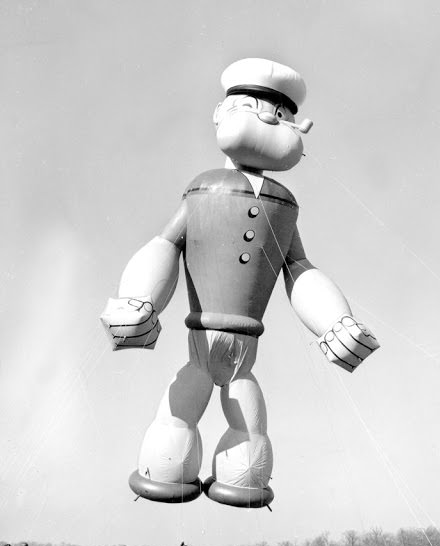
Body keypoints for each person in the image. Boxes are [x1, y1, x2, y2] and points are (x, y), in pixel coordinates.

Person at [102, 57, 379, 510]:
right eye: (256, 106)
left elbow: (299, 269)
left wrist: (335, 322)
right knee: (182, 416)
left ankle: (236, 479)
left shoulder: (283, 206)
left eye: (282, 113)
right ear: (222, 112)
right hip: (204, 340)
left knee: (245, 423)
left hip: (241, 347)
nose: (271, 118)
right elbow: (165, 246)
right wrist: (138, 299)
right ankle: (169, 473)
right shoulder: (203, 189)